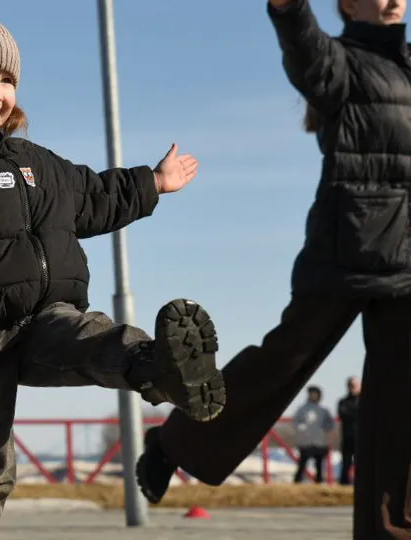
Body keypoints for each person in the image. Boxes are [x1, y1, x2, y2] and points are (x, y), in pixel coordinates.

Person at [0, 1, 225, 538]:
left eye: (7, 79)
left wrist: (153, 182)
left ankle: (163, 367)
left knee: (95, 337)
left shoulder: (36, 163)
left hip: (44, 317)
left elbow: (95, 193)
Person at [134, 0, 411, 537]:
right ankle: (172, 443)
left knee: (403, 399)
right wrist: (287, 9)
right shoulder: (338, 63)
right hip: (346, 247)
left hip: (409, 256)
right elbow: (302, 44)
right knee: (283, 363)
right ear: (349, 4)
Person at [292, 386, 334, 483]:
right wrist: (301, 428)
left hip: (320, 441)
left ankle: (318, 482)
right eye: (312, 394)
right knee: (302, 464)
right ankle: (297, 482)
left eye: (316, 394)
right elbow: (296, 422)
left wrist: (326, 428)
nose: (314, 396)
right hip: (306, 442)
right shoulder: (302, 409)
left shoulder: (323, 410)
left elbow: (330, 423)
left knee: (319, 465)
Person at [337, 376, 360, 485]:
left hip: (361, 438)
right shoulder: (343, 402)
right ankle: (344, 484)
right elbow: (343, 415)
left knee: (361, 463)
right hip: (347, 437)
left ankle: (361, 485)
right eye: (351, 385)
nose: (353, 388)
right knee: (346, 463)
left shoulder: (366, 401)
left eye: (355, 385)